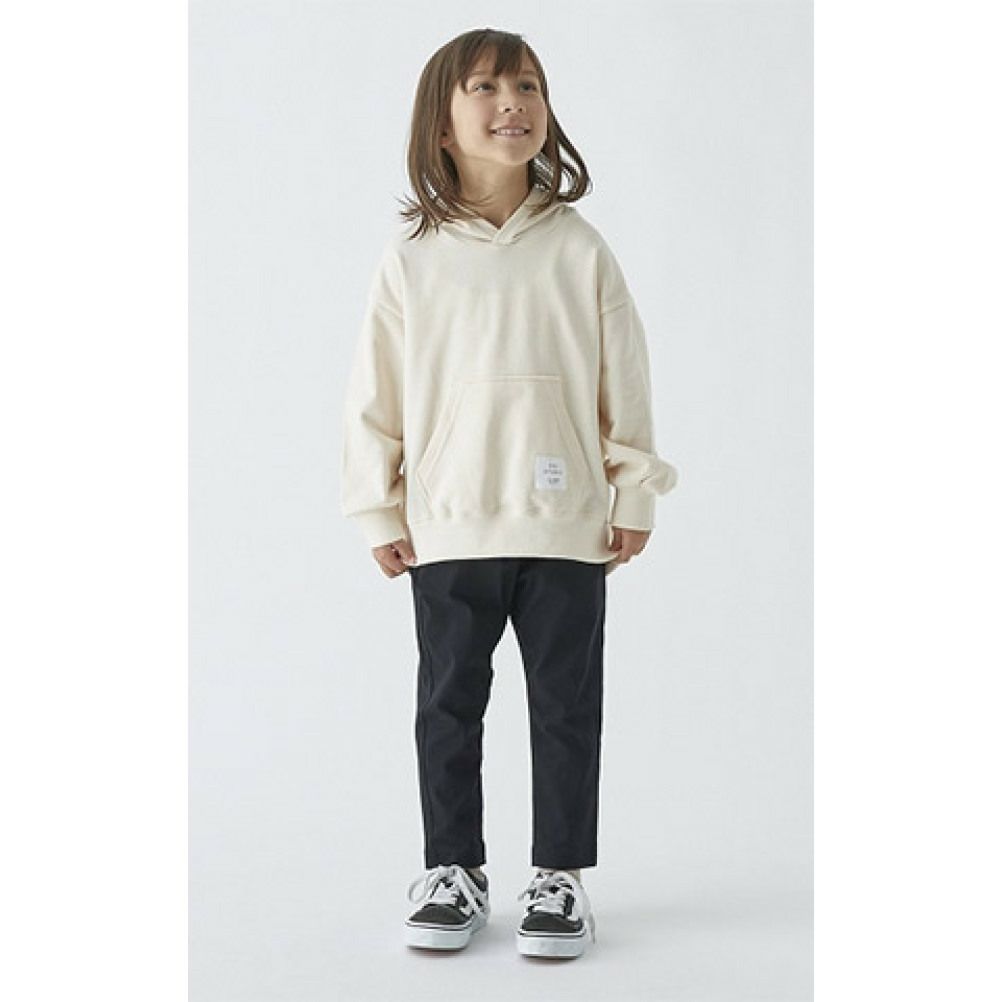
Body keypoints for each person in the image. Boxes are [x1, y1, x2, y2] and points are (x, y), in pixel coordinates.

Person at [340, 27, 679, 959]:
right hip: (447, 524)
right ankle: (452, 867)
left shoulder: (580, 249)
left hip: (566, 524)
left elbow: (624, 378)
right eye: (485, 88)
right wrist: (377, 506)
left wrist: (634, 492)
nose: (512, 103)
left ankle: (559, 875)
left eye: (527, 85)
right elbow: (375, 394)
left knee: (566, 707)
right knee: (448, 705)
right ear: (442, 124)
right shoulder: (411, 258)